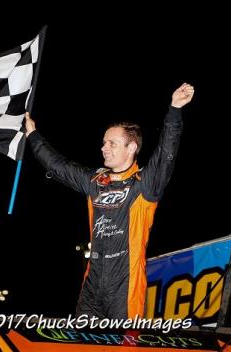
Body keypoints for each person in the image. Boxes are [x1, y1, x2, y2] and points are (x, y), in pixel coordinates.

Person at [25, 82, 194, 320]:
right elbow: (59, 167)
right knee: (82, 344)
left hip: (125, 287)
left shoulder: (144, 184)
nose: (103, 148)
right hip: (91, 286)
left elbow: (167, 153)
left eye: (111, 143)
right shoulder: (95, 181)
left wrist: (174, 110)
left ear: (131, 147)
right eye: (104, 142)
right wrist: (33, 135)